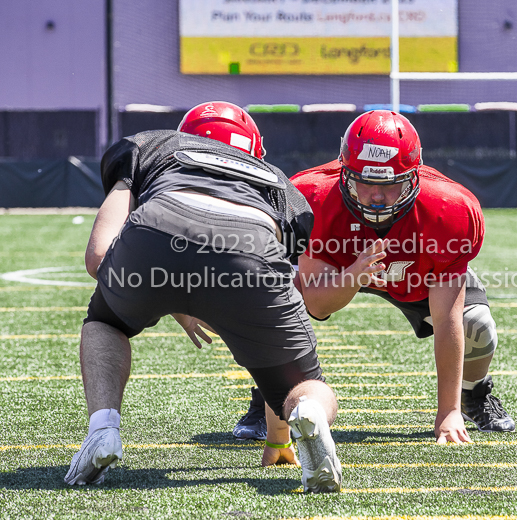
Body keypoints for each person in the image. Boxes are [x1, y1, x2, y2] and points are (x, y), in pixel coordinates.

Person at [64, 101, 342, 493]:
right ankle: (308, 413)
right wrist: (278, 439)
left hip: (159, 228)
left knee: (105, 323)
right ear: (252, 148)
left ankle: (103, 429)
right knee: (303, 382)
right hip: (252, 245)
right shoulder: (279, 183)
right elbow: (277, 283)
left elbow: (98, 257)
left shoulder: (152, 144)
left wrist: (169, 293)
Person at [234, 110, 515, 444]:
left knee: (478, 325)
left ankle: (472, 394)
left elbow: (446, 318)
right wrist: (355, 275)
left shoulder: (448, 209)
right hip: (339, 265)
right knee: (271, 306)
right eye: (365, 182)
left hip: (415, 273)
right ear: (344, 173)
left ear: (414, 177)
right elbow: (317, 305)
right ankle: (269, 399)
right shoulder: (313, 198)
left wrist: (447, 412)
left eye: (390, 184)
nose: (377, 196)